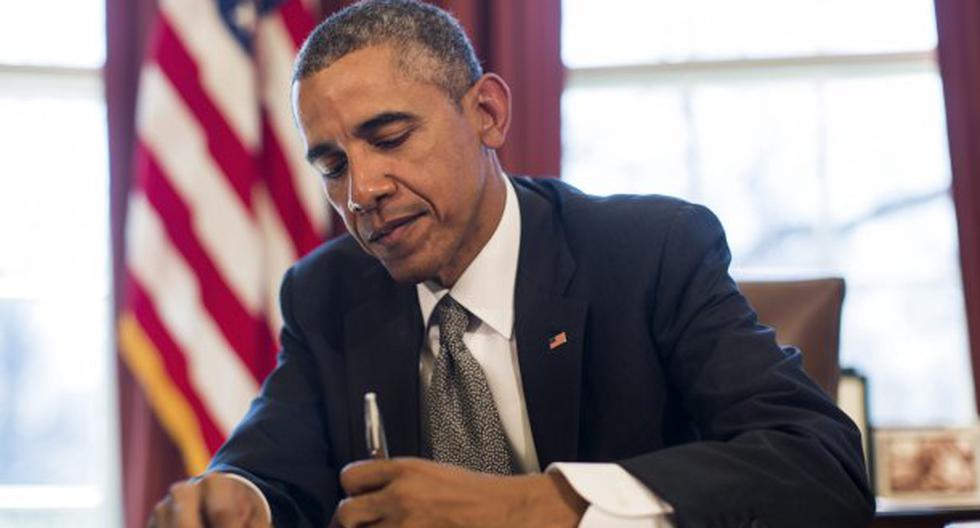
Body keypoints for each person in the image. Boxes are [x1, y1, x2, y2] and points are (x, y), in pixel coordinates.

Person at [149, 1, 874, 526]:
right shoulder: (329, 292)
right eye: (332, 164)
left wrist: (541, 503)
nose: (361, 191)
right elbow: (273, 468)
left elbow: (820, 464)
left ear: (487, 113)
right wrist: (236, 497)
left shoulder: (648, 252)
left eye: (391, 137)